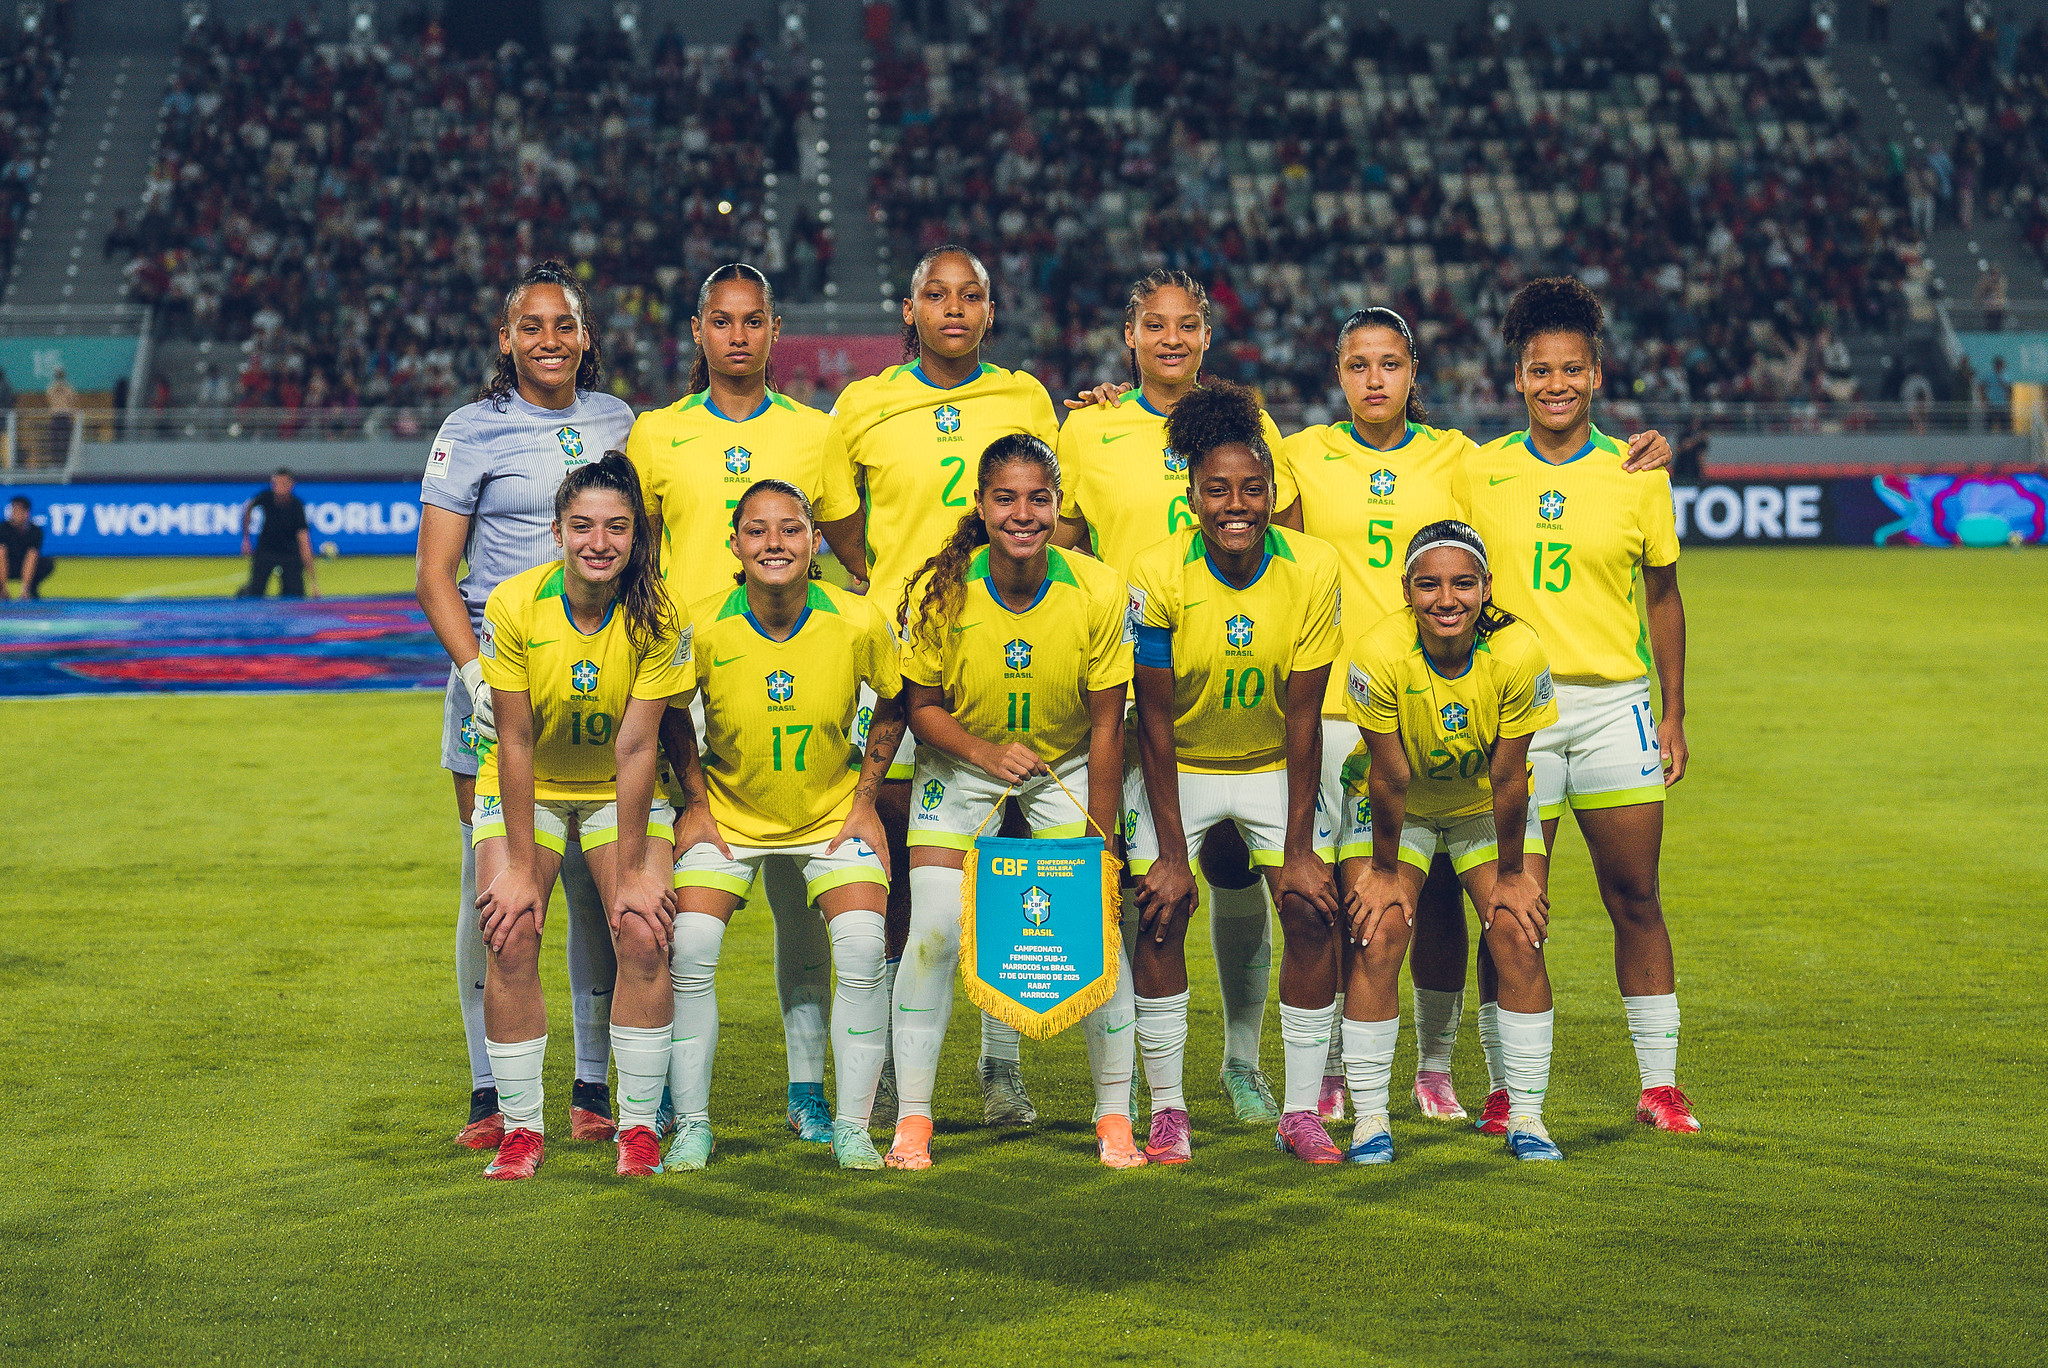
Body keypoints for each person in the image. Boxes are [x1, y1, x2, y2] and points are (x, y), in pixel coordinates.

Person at [1274, 308, 1671, 1124]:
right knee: (1367, 908)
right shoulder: (1314, 452)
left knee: (1502, 896)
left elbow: (1644, 573)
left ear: (1414, 372)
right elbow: (1219, 444)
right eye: (1358, 365)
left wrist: (1647, 448)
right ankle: (1342, 1075)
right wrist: (1115, 397)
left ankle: (1456, 1072)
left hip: (1518, 701)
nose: (1375, 379)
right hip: (1372, 704)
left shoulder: (1469, 458)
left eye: (1390, 363)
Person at [815, 244, 1060, 1127]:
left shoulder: (1026, 396)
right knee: (896, 880)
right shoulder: (865, 404)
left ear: (990, 313)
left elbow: (1052, 508)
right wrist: (901, 599)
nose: (953, 308)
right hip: (899, 667)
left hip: (1003, 657)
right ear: (909, 309)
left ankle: (1001, 1070)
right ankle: (881, 1067)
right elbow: (844, 526)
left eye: (971, 296)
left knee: (1010, 873)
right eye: (935, 295)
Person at [626, 262, 868, 1144]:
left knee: (807, 913)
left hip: (794, 697)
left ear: (775, 330)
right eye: (721, 320)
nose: (737, 334)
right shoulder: (655, 433)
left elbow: (853, 556)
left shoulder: (815, 432)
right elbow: (635, 558)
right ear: (698, 330)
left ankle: (809, 1090)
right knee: (661, 914)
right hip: (683, 703)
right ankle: (653, 1093)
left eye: (752, 320)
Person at [1054, 271, 1296, 1125]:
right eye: (1154, 325)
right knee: (1138, 888)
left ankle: (1239, 1062)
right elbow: (1065, 548)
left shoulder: (1245, 420)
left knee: (1235, 869)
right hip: (1121, 682)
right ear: (1129, 336)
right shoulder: (1089, 427)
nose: (1170, 339)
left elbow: (1287, 541)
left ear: (1205, 336)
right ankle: (1134, 1091)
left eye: (1186, 325)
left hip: (1231, 685)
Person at [1464, 277, 1697, 1136]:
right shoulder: (1477, 472)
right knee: (1512, 905)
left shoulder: (1637, 474)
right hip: (1515, 718)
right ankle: (1504, 1087)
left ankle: (1660, 1087)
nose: (1556, 384)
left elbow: (1663, 598)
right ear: (1516, 379)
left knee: (1636, 895)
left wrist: (1673, 713)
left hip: (1614, 711)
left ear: (1596, 376)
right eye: (1539, 370)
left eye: (1572, 369)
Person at [417, 261, 636, 1150]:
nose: (550, 339)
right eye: (531, 326)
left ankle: (590, 1087)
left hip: (597, 683)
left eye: (565, 325)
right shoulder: (470, 430)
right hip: (496, 684)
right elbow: (434, 575)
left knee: (594, 890)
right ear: (506, 340)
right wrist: (476, 673)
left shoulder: (619, 420)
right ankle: (487, 1090)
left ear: (586, 337)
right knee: (497, 891)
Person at [884, 433, 1144, 1171]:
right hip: (962, 761)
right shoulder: (942, 589)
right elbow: (922, 706)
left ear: (1059, 506)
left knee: (1098, 931)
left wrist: (1104, 846)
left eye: (1039, 499)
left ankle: (1115, 1115)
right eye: (1006, 498)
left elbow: (1104, 727)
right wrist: (986, 754)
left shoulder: (1097, 589)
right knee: (933, 925)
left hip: (1062, 763)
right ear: (980, 504)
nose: (1023, 514)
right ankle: (913, 1119)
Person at [1123, 381, 1346, 1165]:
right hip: (1177, 764)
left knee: (1314, 908)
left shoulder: (1315, 568)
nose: (1236, 504)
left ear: (1274, 491)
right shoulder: (1155, 573)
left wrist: (1298, 849)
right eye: (1217, 490)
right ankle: (1169, 1110)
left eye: (1253, 488)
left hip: (1269, 765)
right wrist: (1174, 854)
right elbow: (1150, 721)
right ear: (1192, 496)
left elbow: (1304, 716)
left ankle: (1299, 1112)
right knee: (1157, 907)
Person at [666, 479, 906, 1171]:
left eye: (792, 528)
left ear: (816, 540)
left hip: (831, 813)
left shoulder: (858, 619)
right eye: (759, 530)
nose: (775, 542)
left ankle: (851, 1125)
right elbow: (672, 710)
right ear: (734, 545)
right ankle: (693, 1124)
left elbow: (896, 701)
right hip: (731, 817)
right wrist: (697, 803)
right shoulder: (702, 624)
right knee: (691, 948)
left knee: (862, 948)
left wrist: (865, 799)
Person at [470, 453, 694, 1180]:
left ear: (637, 537)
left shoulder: (659, 615)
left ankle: (637, 1129)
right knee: (508, 933)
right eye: (584, 526)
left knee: (643, 932)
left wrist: (632, 872)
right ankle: (522, 1131)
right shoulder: (512, 605)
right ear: (559, 531)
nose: (600, 542)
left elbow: (636, 746)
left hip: (613, 786)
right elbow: (515, 738)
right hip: (526, 787)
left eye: (617, 528)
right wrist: (513, 868)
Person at [1336, 521, 1561, 1163]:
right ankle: (1371, 1121)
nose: (1447, 599)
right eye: (1429, 584)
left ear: (1487, 588)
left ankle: (1528, 1118)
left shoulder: (1519, 651)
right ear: (1406, 590)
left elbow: (1509, 774)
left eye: (1464, 583)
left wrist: (1514, 874)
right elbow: (1388, 773)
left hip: (1482, 806)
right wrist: (1383, 871)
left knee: (1519, 931)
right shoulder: (1379, 653)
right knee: (1378, 930)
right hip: (1396, 804)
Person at [237, 467, 318, 599]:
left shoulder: (297, 507)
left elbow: (304, 541)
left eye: (283, 484)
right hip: (266, 550)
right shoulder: (265, 497)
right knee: (255, 593)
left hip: (289, 554)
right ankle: (243, 593)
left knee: (294, 595)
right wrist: (245, 539)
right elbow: (248, 508)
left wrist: (313, 583)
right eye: (276, 484)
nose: (279, 488)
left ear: (291, 485)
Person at [0, 495, 54, 599]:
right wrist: (3, 587)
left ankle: (30, 590)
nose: (15, 514)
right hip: (7, 564)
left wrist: (25, 588)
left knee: (46, 563)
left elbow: (31, 556)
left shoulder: (35, 531)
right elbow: (1, 555)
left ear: (26, 513)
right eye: (13, 510)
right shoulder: (3, 529)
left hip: (23, 564)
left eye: (18, 511)